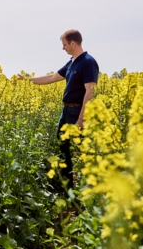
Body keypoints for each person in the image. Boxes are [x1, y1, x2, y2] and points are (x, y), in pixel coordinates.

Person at [19, 29, 99, 191]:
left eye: (64, 45)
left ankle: (90, 193)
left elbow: (90, 92)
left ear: (73, 43)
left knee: (82, 152)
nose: (63, 48)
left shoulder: (88, 62)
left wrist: (81, 120)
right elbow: (52, 77)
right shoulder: (72, 62)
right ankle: (67, 190)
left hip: (78, 113)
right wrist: (27, 81)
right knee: (62, 149)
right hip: (66, 112)